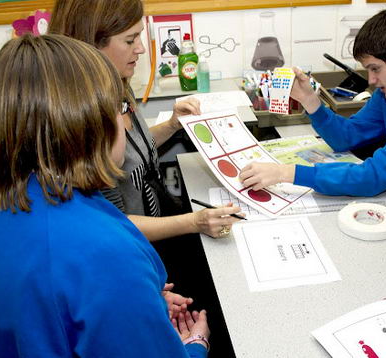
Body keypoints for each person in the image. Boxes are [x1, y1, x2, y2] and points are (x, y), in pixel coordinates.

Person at [0, 34, 211, 357]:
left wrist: (136, 303)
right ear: (91, 124)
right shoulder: (107, 252)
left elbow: (37, 306)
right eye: (122, 107)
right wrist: (196, 346)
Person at [49, 0, 242, 240]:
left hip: (156, 218)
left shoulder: (118, 83)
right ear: (92, 44)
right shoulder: (83, 116)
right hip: (135, 241)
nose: (140, 49)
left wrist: (172, 125)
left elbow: (133, 151)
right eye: (130, 40)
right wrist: (195, 222)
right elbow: (114, 225)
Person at [239, 10, 386, 198]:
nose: (371, 80)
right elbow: (347, 137)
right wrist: (310, 101)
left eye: (375, 69)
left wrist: (285, 173)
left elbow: (370, 177)